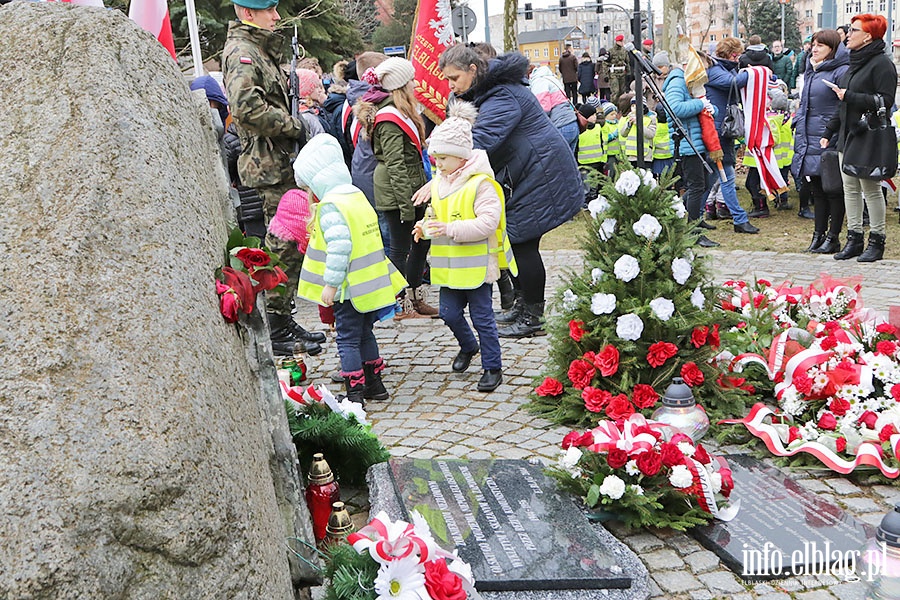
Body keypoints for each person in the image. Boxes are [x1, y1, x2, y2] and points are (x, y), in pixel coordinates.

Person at [434, 46, 583, 337]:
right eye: (447, 79)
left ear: (473, 70)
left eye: (455, 77)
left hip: (541, 173)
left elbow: (480, 141)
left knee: (522, 242)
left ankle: (533, 316)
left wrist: (445, 162)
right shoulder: (488, 92)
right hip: (527, 170)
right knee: (515, 241)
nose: (451, 85)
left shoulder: (502, 95)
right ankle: (521, 305)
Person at [222, 0, 326, 357]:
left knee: (288, 244)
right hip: (269, 165)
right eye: (270, 10)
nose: (277, 16)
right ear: (248, 13)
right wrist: (294, 126)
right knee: (281, 245)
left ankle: (281, 317)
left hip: (279, 161)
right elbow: (246, 109)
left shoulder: (259, 49)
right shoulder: (243, 52)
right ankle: (276, 324)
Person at [413, 102, 517, 392]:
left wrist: (450, 230)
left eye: (443, 158)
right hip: (449, 268)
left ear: (461, 157)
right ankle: (468, 346)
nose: (438, 164)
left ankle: (492, 366)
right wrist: (423, 227)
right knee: (448, 314)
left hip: (476, 267)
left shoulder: (481, 184)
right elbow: (435, 216)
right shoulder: (441, 181)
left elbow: (487, 223)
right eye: (436, 158)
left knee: (483, 318)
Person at [294, 134, 406, 403]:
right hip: (370, 283)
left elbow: (340, 247)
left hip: (347, 288)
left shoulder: (331, 206)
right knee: (365, 333)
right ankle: (375, 385)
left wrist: (330, 285)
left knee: (347, 339)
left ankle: (354, 393)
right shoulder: (355, 195)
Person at [354, 57, 439, 318]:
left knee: (421, 242)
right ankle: (398, 303)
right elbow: (395, 164)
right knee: (400, 249)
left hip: (411, 186)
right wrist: (406, 205)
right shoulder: (389, 117)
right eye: (411, 80)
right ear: (401, 85)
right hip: (397, 191)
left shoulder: (401, 110)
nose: (415, 84)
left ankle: (415, 295)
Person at [823, 14, 897, 262]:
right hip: (848, 134)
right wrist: (829, 131)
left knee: (871, 189)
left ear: (868, 36)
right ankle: (854, 239)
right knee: (850, 189)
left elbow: (886, 102)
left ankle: (877, 241)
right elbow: (842, 101)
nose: (848, 34)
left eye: (853, 30)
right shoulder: (854, 62)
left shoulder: (882, 64)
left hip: (869, 135)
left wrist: (850, 97)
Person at [792, 29, 849, 254]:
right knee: (816, 187)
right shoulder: (811, 70)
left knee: (832, 188)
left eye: (821, 46)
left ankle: (833, 235)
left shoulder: (840, 71)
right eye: (813, 44)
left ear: (832, 49)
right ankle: (818, 234)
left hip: (828, 137)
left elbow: (840, 106)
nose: (814, 49)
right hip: (809, 135)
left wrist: (831, 133)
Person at [660, 52, 718, 247]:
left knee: (703, 183)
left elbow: (702, 107)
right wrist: (700, 104)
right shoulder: (677, 82)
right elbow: (675, 108)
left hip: (697, 143)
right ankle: (692, 231)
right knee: (696, 187)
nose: (704, 72)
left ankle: (689, 219)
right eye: (702, 67)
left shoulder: (691, 83)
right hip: (687, 145)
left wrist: (710, 108)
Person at [702, 38, 760, 234]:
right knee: (725, 178)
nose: (738, 58)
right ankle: (739, 219)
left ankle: (692, 216)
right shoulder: (716, 71)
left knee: (709, 182)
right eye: (737, 54)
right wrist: (754, 72)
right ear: (729, 54)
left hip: (721, 132)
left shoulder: (723, 68)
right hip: (717, 134)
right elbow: (733, 83)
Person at [529, 64, 580, 152]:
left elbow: (544, 109)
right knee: (569, 163)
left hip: (561, 126)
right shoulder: (551, 78)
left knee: (557, 163)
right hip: (572, 123)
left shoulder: (539, 81)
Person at [608, 35, 629, 105]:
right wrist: (606, 74)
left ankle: (621, 107)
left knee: (622, 92)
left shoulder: (624, 51)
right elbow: (605, 63)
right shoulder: (611, 51)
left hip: (622, 73)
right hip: (614, 73)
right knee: (615, 91)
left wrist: (628, 72)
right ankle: (613, 106)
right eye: (621, 41)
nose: (622, 43)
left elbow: (627, 62)